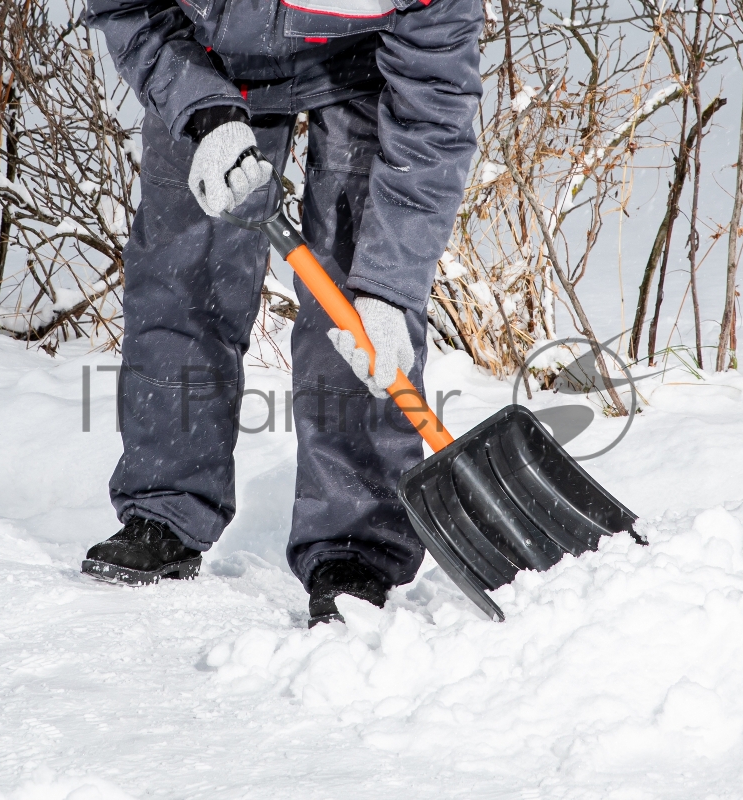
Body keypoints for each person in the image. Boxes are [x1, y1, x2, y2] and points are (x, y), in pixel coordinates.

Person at [81, 0, 483, 626]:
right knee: (184, 279)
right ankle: (165, 507)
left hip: (365, 65)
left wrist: (389, 289)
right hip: (205, 55)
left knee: (354, 304)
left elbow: (433, 110)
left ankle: (355, 547)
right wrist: (198, 106)